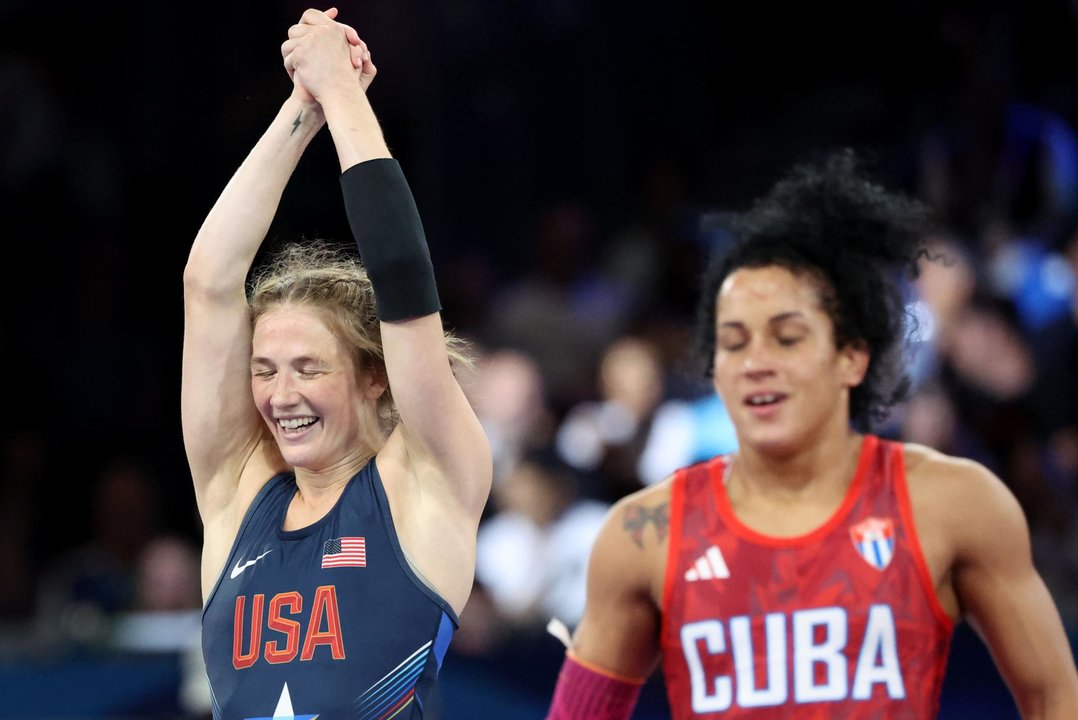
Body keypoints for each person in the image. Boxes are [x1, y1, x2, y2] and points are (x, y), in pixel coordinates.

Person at [546, 153, 1078, 719]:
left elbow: (1053, 693)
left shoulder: (953, 502)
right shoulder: (644, 534)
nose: (755, 363)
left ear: (851, 357)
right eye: (733, 342)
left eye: (787, 338)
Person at [182, 8, 491, 719]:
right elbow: (208, 283)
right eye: (264, 369)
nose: (280, 394)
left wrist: (346, 97)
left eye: (308, 368)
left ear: (372, 372)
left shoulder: (426, 483)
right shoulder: (236, 495)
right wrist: (303, 106)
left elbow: (403, 275)